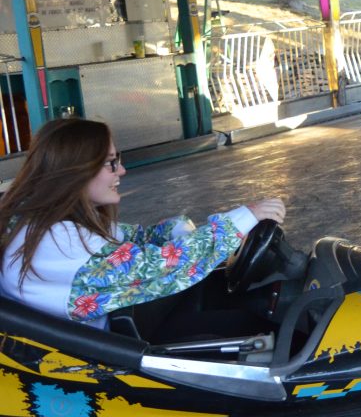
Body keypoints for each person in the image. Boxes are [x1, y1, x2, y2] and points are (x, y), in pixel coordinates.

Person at [0, 119, 285, 341]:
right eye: (111, 163)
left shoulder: (41, 221)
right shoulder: (56, 241)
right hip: (111, 355)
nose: (121, 171)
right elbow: (160, 267)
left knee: (225, 302)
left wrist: (190, 229)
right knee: (252, 324)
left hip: (126, 323)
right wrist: (245, 217)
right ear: (77, 170)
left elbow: (137, 239)